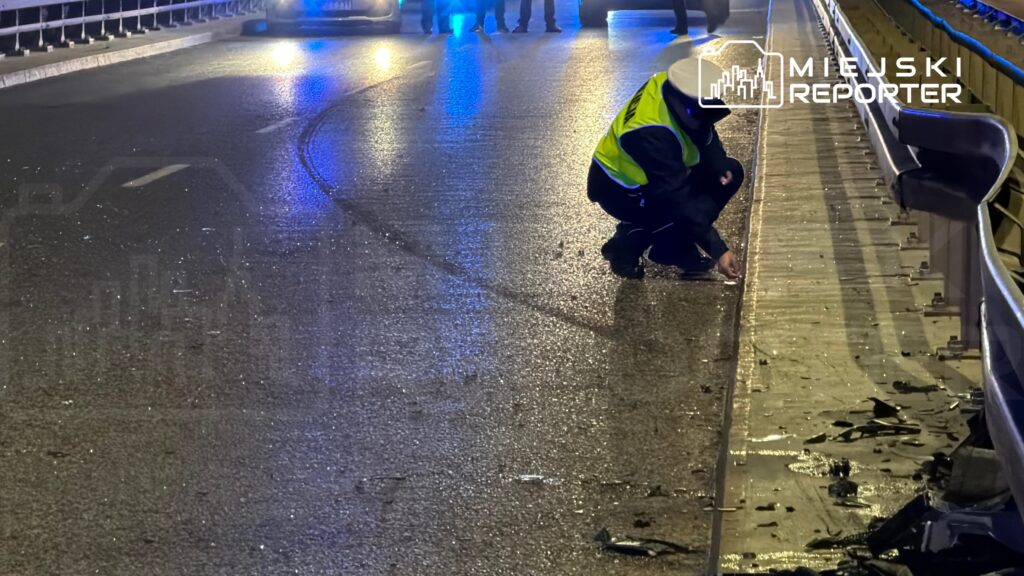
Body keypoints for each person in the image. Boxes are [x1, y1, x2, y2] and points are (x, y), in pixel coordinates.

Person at [587, 58, 744, 280]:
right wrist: (719, 250)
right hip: (620, 191)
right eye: (698, 115)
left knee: (731, 172)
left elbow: (704, 129)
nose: (701, 121)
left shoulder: (671, 85)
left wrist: (717, 161)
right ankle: (628, 242)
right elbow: (677, 199)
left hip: (653, 180)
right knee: (679, 210)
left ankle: (673, 247)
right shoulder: (650, 133)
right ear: (682, 106)